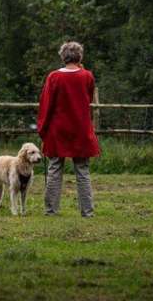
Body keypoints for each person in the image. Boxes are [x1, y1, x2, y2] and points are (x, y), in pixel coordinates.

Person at [38, 41, 99, 217]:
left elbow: (46, 104)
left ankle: (51, 210)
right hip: (80, 129)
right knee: (82, 170)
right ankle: (87, 212)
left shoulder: (54, 77)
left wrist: (43, 129)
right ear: (79, 56)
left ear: (63, 56)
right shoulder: (87, 76)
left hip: (58, 130)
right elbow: (87, 99)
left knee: (54, 169)